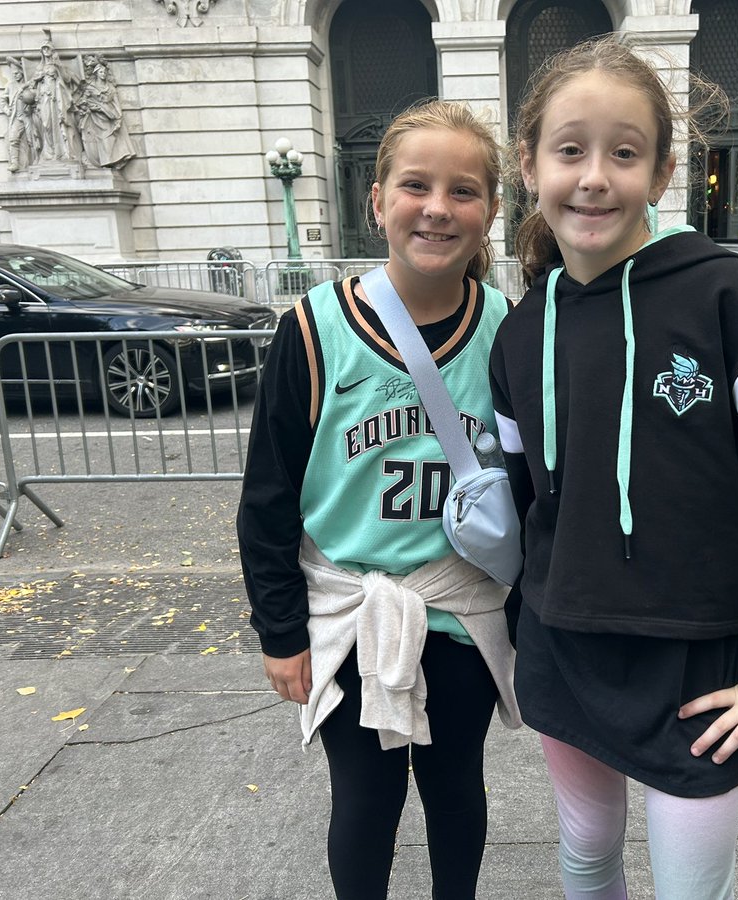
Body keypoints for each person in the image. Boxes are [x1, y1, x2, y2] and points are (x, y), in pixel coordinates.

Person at [491, 37, 738, 899]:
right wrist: (525, 624)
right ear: (529, 165)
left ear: (663, 172)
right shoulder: (521, 333)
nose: (594, 176)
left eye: (624, 153)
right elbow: (530, 505)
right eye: (570, 150)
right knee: (585, 857)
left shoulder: (732, 303)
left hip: (693, 676)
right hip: (562, 655)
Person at [237, 100, 521, 900]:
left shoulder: (511, 330)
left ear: (492, 209)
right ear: (377, 198)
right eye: (416, 185)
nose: (437, 208)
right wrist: (279, 628)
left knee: (456, 787)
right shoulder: (312, 329)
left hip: (463, 608)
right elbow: (268, 497)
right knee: (365, 796)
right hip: (350, 607)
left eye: (464, 191)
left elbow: (539, 489)